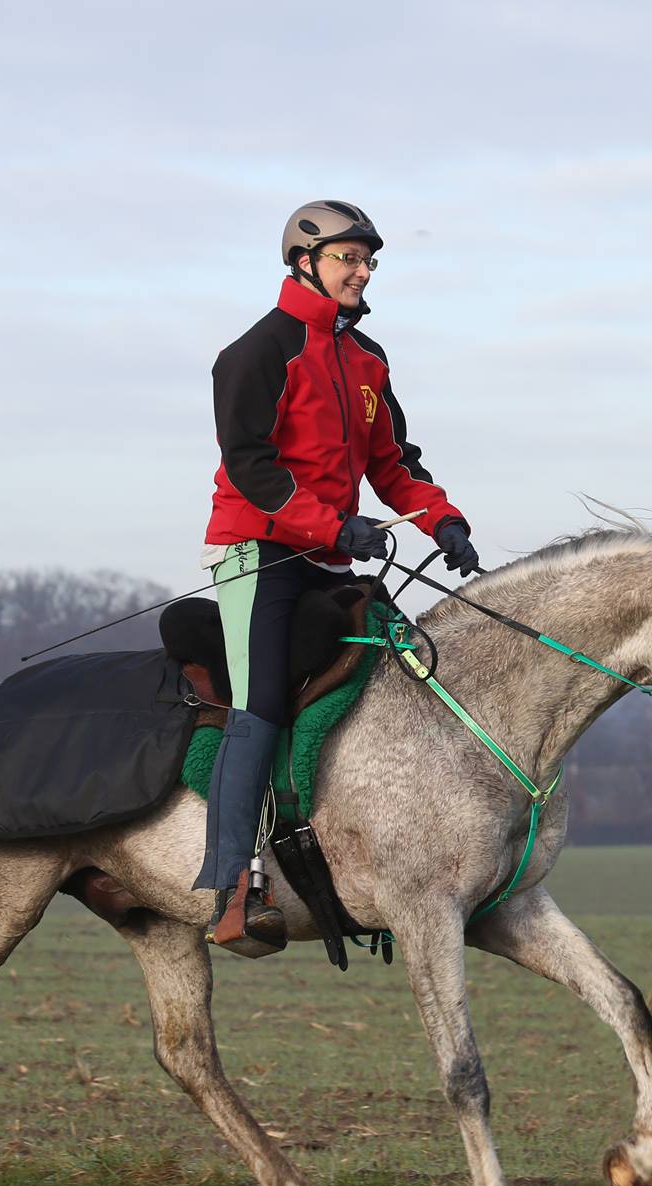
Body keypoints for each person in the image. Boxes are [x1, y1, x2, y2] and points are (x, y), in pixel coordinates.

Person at [196, 199, 480, 953]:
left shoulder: (366, 359)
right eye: (348, 259)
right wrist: (330, 524)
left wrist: (440, 519)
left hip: (330, 553)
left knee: (404, 669)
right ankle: (230, 889)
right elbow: (252, 470)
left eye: (368, 262)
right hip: (258, 554)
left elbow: (394, 463)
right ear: (304, 262)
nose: (361, 272)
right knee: (259, 706)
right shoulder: (255, 353)